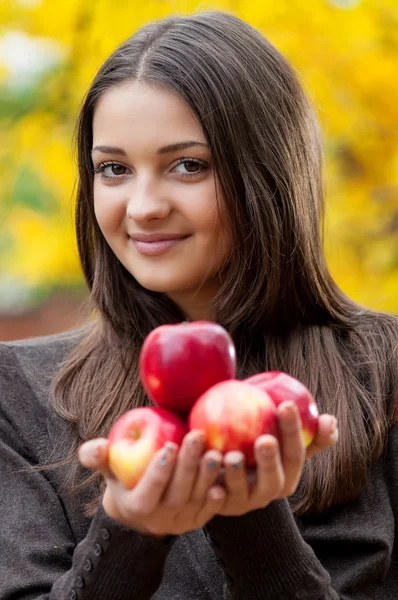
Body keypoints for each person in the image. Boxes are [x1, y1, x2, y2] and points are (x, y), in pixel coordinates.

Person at [0, 9, 397, 599]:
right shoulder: (19, 391)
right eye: (113, 169)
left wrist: (254, 522)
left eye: (187, 165)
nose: (143, 206)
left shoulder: (383, 370)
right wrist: (129, 533)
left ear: (267, 173)